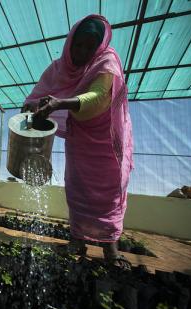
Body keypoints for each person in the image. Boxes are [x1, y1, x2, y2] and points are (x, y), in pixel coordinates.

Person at [22, 15, 134, 269]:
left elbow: (96, 99)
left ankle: (110, 247)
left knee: (110, 194)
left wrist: (59, 103)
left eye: (89, 46)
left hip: (108, 141)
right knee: (78, 189)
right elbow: (37, 95)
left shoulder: (107, 62)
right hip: (79, 138)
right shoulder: (59, 69)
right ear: (69, 43)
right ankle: (77, 240)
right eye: (78, 45)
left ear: (99, 47)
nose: (82, 51)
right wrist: (30, 107)